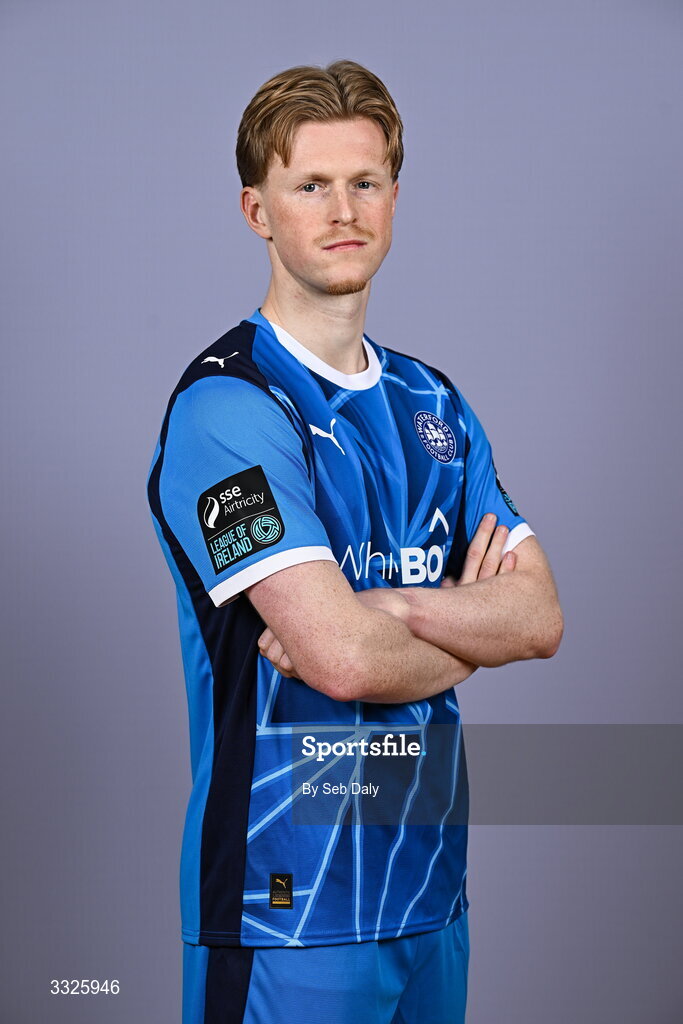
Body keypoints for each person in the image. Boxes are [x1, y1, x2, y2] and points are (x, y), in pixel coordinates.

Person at [146, 59, 563, 1024]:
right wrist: (461, 624)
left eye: (364, 182)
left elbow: (539, 616)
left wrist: (390, 611)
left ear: (394, 197)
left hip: (431, 894)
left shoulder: (434, 405)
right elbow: (334, 661)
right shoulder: (227, 410)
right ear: (258, 210)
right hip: (286, 910)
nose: (343, 210)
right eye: (311, 185)